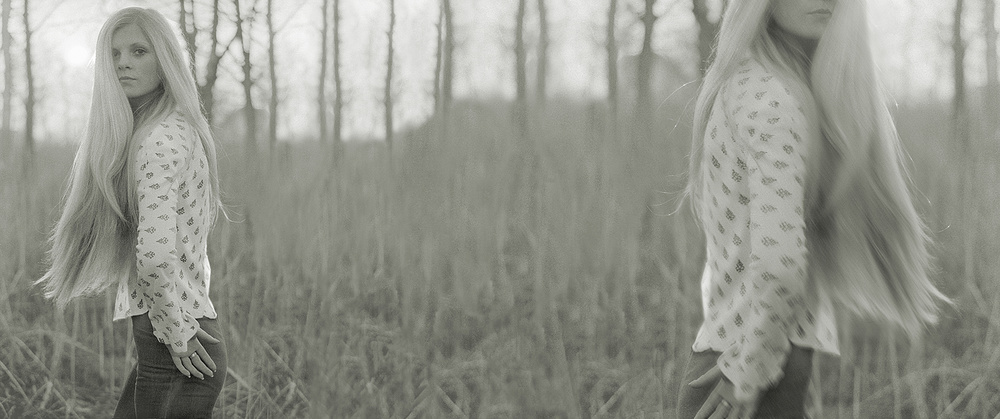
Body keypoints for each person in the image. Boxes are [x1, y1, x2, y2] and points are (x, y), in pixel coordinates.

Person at [678, 0, 951, 417]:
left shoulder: (765, 93)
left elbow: (781, 264)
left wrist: (746, 373)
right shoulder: (783, 92)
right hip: (773, 351)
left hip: (744, 355)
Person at [36, 7, 227, 418]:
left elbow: (158, 253)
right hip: (178, 333)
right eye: (115, 53)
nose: (123, 62)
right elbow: (154, 257)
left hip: (175, 335)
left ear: (165, 58)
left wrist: (175, 333)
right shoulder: (159, 134)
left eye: (139, 51)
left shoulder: (158, 134)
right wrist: (177, 334)